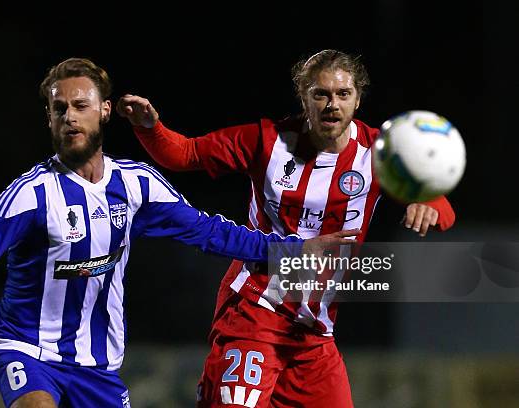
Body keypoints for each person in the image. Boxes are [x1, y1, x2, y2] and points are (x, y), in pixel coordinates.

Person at [0, 58, 356, 408]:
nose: (69, 116)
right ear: (48, 117)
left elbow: (209, 232)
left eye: (80, 105)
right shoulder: (32, 193)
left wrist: (292, 249)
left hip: (96, 365)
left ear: (104, 111)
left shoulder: (136, 185)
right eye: (59, 108)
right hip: (26, 348)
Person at [117, 49, 456, 407]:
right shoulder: (267, 141)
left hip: (314, 334)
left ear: (357, 100)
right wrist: (149, 128)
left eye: (343, 94)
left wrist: (426, 204)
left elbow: (443, 210)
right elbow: (185, 154)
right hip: (254, 315)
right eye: (320, 94)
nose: (332, 105)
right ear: (303, 97)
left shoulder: (380, 154)